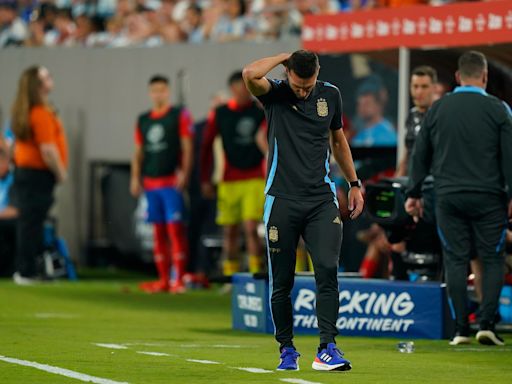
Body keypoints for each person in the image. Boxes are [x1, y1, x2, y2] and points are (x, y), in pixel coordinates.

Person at [243, 50, 364, 371]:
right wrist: (285, 56)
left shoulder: (330, 95)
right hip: (281, 199)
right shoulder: (275, 93)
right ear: (287, 74)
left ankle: (328, 348)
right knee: (282, 280)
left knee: (327, 269)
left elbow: (338, 141)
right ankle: (287, 349)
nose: (303, 92)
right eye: (298, 86)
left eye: (307, 86)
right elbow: (248, 74)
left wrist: (354, 183)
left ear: (317, 73)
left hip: (321, 200)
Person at [405, 51, 512, 346]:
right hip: (489, 196)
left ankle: (460, 329)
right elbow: (509, 157)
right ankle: (487, 324)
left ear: (457, 77)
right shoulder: (499, 109)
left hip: (448, 196)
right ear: (485, 77)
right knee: (491, 259)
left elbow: (420, 156)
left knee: (455, 258)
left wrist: (413, 193)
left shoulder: (438, 110)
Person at [130, 75, 194, 294]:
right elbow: (138, 152)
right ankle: (163, 279)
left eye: (162, 90)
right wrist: (134, 177)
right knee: (158, 232)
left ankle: (179, 279)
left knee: (175, 231)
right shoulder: (143, 119)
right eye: (154, 90)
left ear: (167, 91)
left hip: (170, 183)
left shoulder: (178, 115)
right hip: (151, 184)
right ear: (150, 93)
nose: (158, 94)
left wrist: (184, 173)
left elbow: (187, 147)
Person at [200, 71, 266, 277]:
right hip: (228, 181)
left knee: (251, 229)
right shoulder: (220, 113)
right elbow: (206, 146)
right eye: (240, 87)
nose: (244, 92)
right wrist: (205, 179)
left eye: (247, 87)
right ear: (232, 89)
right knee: (229, 232)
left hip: (254, 178)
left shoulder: (260, 110)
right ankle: (231, 279)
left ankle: (256, 276)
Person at [11, 66, 68, 285]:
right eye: (46, 76)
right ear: (38, 85)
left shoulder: (27, 111)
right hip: (37, 175)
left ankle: (28, 269)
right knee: (31, 224)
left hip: (27, 174)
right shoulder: (40, 113)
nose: (50, 79)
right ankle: (26, 271)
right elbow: (48, 149)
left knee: (29, 222)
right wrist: (61, 172)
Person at [395, 66, 437, 177]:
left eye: (424, 87)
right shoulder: (411, 115)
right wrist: (397, 178)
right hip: (410, 180)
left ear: (434, 88)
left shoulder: (439, 115)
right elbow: (408, 150)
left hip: (431, 181)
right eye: (415, 86)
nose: (419, 91)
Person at [351, 76, 397, 147]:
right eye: (359, 104)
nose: (362, 108)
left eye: (367, 103)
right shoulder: (358, 134)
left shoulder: (387, 133)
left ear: (378, 105)